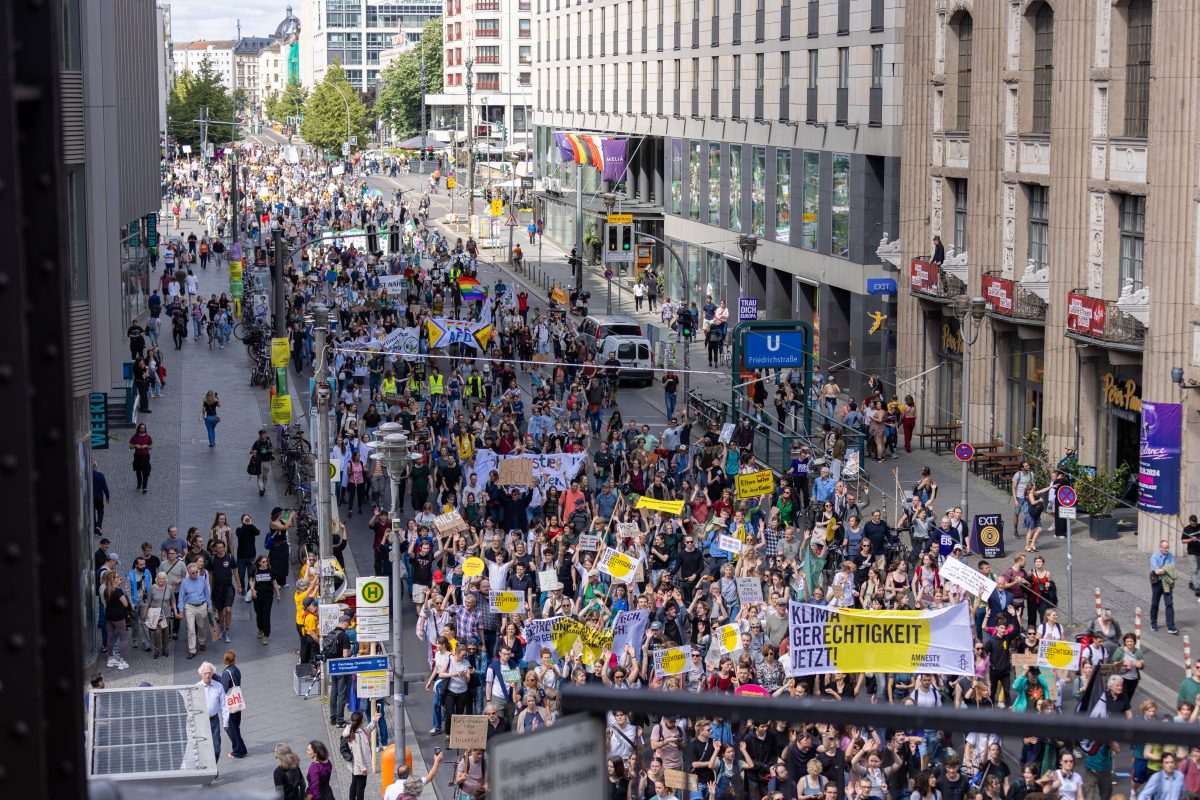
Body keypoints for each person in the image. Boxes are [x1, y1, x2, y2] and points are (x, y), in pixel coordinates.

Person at [176, 560, 212, 658]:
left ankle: (201, 642)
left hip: (202, 605)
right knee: (191, 629)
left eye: (197, 571)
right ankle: (192, 649)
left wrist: (210, 606)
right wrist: (180, 610)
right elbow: (180, 597)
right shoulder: (184, 583)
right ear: (188, 572)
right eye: (193, 572)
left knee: (201, 626)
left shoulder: (202, 580)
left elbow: (207, 594)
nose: (196, 574)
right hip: (190, 607)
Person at [343, 711, 379, 800]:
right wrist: (363, 768)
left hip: (357, 765)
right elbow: (357, 754)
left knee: (354, 783)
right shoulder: (356, 735)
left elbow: (369, 729)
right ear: (361, 721)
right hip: (359, 765)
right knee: (360, 787)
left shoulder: (359, 729)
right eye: (363, 719)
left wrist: (374, 720)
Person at [196, 661, 229, 760]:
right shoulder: (196, 688)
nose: (207, 675)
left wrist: (225, 722)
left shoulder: (218, 686)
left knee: (216, 749)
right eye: (205, 673)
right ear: (201, 674)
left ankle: (213, 767)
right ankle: (208, 769)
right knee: (203, 748)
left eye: (210, 673)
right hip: (201, 720)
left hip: (214, 720)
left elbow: (224, 705)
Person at [220, 651, 247, 759]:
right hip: (237, 701)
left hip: (230, 704)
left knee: (231, 728)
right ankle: (242, 748)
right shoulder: (236, 669)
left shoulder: (227, 672)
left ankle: (238, 750)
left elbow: (224, 688)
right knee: (236, 726)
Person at [1150, 538, 1180, 634]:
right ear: (1160, 548)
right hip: (1157, 583)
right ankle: (1153, 623)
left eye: (1168, 547)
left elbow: (1173, 568)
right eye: (1165, 548)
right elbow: (1157, 571)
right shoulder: (1155, 556)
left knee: (1169, 604)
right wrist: (1166, 569)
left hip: (1167, 582)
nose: (1167, 549)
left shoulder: (1170, 556)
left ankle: (1171, 626)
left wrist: (1162, 569)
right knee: (1155, 603)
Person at [250, 554, 280, 644]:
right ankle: (260, 629)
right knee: (259, 614)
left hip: (268, 596)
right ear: (259, 563)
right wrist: (252, 590)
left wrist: (278, 594)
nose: (266, 563)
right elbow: (251, 580)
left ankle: (266, 635)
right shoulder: (255, 571)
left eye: (266, 561)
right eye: (263, 561)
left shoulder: (271, 571)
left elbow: (274, 583)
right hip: (257, 596)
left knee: (266, 615)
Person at [129, 422, 153, 493]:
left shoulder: (148, 437)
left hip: (145, 457)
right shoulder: (134, 437)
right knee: (138, 472)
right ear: (138, 429)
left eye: (143, 428)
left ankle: (144, 487)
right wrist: (135, 445)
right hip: (137, 457)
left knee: (145, 472)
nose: (142, 429)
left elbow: (151, 447)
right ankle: (139, 484)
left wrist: (146, 446)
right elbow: (130, 446)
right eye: (141, 428)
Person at [250, 429, 274, 497]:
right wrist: (253, 451)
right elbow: (251, 451)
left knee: (265, 477)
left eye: (265, 434)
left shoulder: (268, 442)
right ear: (260, 435)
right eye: (263, 434)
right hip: (259, 462)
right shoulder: (257, 443)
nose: (264, 436)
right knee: (260, 476)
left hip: (267, 461)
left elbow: (272, 449)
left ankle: (263, 486)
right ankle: (261, 489)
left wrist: (271, 451)